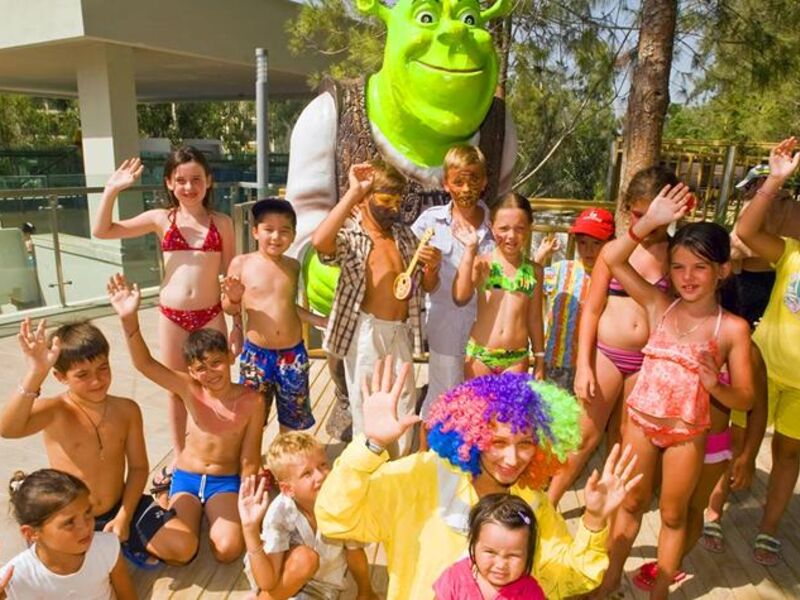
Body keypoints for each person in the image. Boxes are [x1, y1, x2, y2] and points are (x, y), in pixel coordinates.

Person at [315, 357, 643, 600]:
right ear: (471, 436)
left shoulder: (531, 502)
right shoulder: (421, 476)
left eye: (525, 444)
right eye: (497, 442)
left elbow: (567, 578)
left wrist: (594, 520)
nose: (512, 459)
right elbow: (336, 520)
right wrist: (371, 445)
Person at [596, 184, 755, 599]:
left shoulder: (732, 329)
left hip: (688, 433)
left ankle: (660, 592)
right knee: (630, 504)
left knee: (673, 514)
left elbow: (747, 398)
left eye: (700, 267)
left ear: (722, 270)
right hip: (640, 424)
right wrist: (649, 222)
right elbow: (611, 258)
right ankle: (608, 583)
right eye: (679, 266)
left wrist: (714, 386)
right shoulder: (658, 304)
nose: (687, 277)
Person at [92, 149, 239, 494]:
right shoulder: (162, 219)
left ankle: (217, 449)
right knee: (176, 389)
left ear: (209, 181)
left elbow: (234, 278)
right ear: (170, 183)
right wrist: (112, 190)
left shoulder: (222, 223)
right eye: (181, 180)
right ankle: (180, 454)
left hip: (210, 314)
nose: (189, 186)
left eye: (196, 179)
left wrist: (239, 326)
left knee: (216, 386)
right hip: (172, 316)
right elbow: (103, 230)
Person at [0, 318, 195, 567]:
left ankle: (121, 542)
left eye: (103, 368)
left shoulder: (127, 410)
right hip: (75, 517)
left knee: (184, 547)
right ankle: (115, 549)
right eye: (82, 374)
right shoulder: (55, 411)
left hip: (122, 505)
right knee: (80, 573)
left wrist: (124, 516)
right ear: (60, 376)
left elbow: (138, 468)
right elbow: (8, 429)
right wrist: (35, 373)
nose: (96, 380)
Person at [108, 273, 265, 563]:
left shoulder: (252, 401)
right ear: (191, 371)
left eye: (216, 363)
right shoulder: (190, 389)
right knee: (181, 553)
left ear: (229, 359)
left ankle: (173, 503)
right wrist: (129, 320)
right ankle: (165, 494)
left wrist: (248, 496)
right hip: (186, 478)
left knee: (227, 551)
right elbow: (144, 364)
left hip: (224, 482)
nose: (211, 373)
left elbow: (250, 456)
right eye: (201, 368)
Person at [549, 166, 675, 507]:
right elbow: (591, 310)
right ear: (627, 209)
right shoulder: (616, 250)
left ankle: (608, 510)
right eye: (638, 215)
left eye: (655, 217)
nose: (647, 224)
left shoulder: (678, 254)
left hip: (646, 362)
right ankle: (547, 503)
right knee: (583, 437)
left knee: (625, 441)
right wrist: (583, 366)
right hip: (607, 354)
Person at [311, 159, 441, 456]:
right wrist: (353, 193)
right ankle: (367, 466)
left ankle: (397, 464)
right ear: (366, 199)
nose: (393, 208)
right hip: (365, 333)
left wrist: (432, 269)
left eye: (398, 201)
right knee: (365, 401)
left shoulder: (404, 237)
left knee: (404, 399)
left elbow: (426, 285)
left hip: (400, 331)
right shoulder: (352, 236)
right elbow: (320, 242)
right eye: (385, 200)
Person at [736, 136, 800, 566]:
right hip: (761, 369)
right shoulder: (791, 253)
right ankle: (712, 512)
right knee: (738, 442)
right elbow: (745, 232)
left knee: (789, 454)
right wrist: (774, 181)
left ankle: (769, 528)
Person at [222, 198, 326, 432]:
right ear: (255, 232)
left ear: (293, 235)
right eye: (268, 230)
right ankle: (253, 455)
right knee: (252, 417)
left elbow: (289, 307)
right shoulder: (242, 263)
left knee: (293, 419)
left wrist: (319, 320)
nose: (276, 237)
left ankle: (285, 454)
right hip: (257, 355)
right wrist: (234, 298)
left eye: (284, 231)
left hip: (293, 354)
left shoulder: (293, 266)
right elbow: (228, 307)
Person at [411, 144, 495, 423]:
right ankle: (429, 446)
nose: (466, 188)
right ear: (446, 183)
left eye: (473, 179)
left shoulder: (497, 226)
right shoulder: (430, 223)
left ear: (484, 182)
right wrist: (431, 268)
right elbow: (422, 283)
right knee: (442, 397)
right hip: (445, 326)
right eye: (458, 181)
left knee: (478, 400)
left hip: (485, 332)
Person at [238, 433, 377, 599]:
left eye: (323, 465)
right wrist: (250, 529)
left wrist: (366, 592)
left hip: (321, 586)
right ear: (288, 489)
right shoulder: (280, 512)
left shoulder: (341, 501)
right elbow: (267, 581)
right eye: (307, 474)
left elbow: (355, 552)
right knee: (305, 559)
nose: (320, 476)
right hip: (278, 576)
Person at [0, 469, 136, 599]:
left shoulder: (106, 547)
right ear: (31, 533)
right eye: (69, 522)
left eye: (87, 512)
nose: (85, 527)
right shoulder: (14, 579)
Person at [452, 192, 545, 379]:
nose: (511, 236)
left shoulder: (535, 270)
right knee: (479, 400)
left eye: (520, 228)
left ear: (529, 228)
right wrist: (470, 251)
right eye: (504, 228)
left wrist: (540, 359)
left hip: (516, 358)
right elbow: (460, 296)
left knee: (513, 401)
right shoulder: (482, 264)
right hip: (480, 355)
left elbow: (535, 317)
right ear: (491, 226)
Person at [535, 208, 615, 391]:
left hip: (594, 364)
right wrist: (539, 258)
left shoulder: (614, 278)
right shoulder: (561, 270)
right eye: (582, 242)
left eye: (597, 243)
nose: (588, 250)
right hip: (556, 361)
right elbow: (531, 285)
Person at [432, 493, 544, 600]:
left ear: (528, 553)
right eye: (491, 552)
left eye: (513, 555)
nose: (501, 565)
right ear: (474, 544)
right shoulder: (455, 579)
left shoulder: (530, 592)